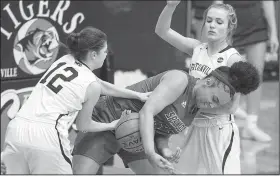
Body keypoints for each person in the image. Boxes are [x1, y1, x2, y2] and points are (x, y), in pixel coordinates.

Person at [1, 26, 150, 174]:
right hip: (45, 135)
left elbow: (101, 85)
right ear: (93, 54)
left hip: (16, 129)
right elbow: (84, 125)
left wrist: (137, 95)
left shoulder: (65, 60)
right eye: (104, 51)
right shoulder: (91, 85)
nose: (106, 55)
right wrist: (112, 124)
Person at [72, 61, 260, 174]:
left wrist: (164, 150)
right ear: (208, 82)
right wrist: (151, 153)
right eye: (214, 99)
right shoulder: (180, 80)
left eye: (216, 104)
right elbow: (147, 112)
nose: (212, 106)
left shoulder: (197, 106)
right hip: (107, 120)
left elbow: (162, 129)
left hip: (137, 137)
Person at [155, 0, 249, 174]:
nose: (212, 25)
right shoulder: (197, 48)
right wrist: (171, 6)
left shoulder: (233, 60)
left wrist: (189, 109)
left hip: (218, 130)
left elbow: (233, 106)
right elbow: (162, 31)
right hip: (194, 128)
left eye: (219, 22)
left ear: (229, 27)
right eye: (209, 20)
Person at [191, 1, 279, 142]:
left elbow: (267, 2)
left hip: (256, 23)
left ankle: (251, 124)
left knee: (256, 74)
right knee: (221, 72)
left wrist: (273, 32)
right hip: (229, 23)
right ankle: (219, 114)